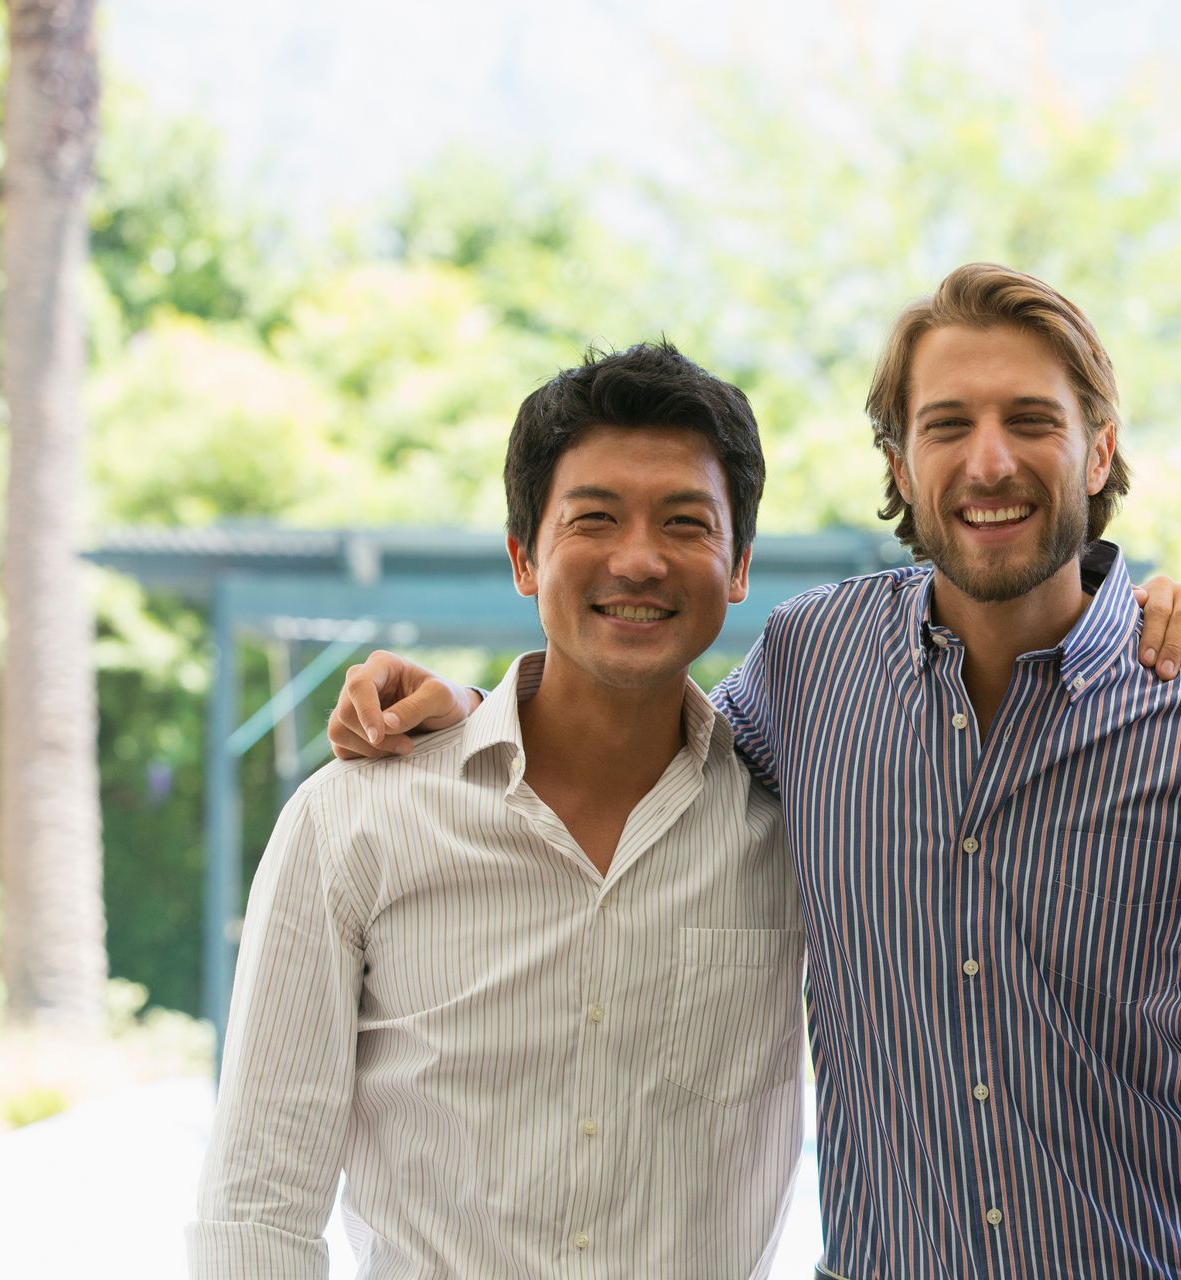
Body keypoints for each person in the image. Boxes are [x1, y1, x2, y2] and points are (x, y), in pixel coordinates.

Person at [331, 263, 1181, 1279]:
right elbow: (643, 752)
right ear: (901, 464)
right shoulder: (811, 661)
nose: (990, 460)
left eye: (1032, 420)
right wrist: (477, 711)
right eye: (948, 423)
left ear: (1099, 452)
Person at [191, 342, 808, 1278]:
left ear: (739, 566)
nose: (639, 560)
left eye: (686, 522)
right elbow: (258, 1206)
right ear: (524, 557)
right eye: (594, 518)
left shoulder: (794, 826)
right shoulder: (355, 821)